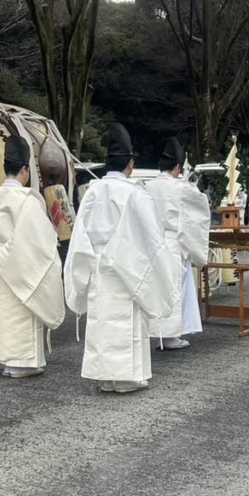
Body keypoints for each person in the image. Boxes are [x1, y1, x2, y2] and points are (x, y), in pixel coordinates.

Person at [64, 123, 175, 393]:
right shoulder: (134, 193)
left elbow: (80, 236)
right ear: (131, 165)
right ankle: (127, 378)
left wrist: (80, 274)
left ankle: (105, 377)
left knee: (102, 321)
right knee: (127, 322)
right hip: (128, 265)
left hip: (98, 266)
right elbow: (151, 238)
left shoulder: (92, 192)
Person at [0, 135, 65, 378]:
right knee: (23, 308)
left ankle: (8, 362)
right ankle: (24, 363)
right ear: (24, 170)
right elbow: (40, 241)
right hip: (22, 263)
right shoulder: (27, 201)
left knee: (4, 312)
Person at [146, 137, 211, 351]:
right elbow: (198, 212)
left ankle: (156, 333)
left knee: (155, 288)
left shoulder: (147, 186)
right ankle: (171, 336)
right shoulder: (180, 188)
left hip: (152, 243)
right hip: (173, 244)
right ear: (177, 167)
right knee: (174, 289)